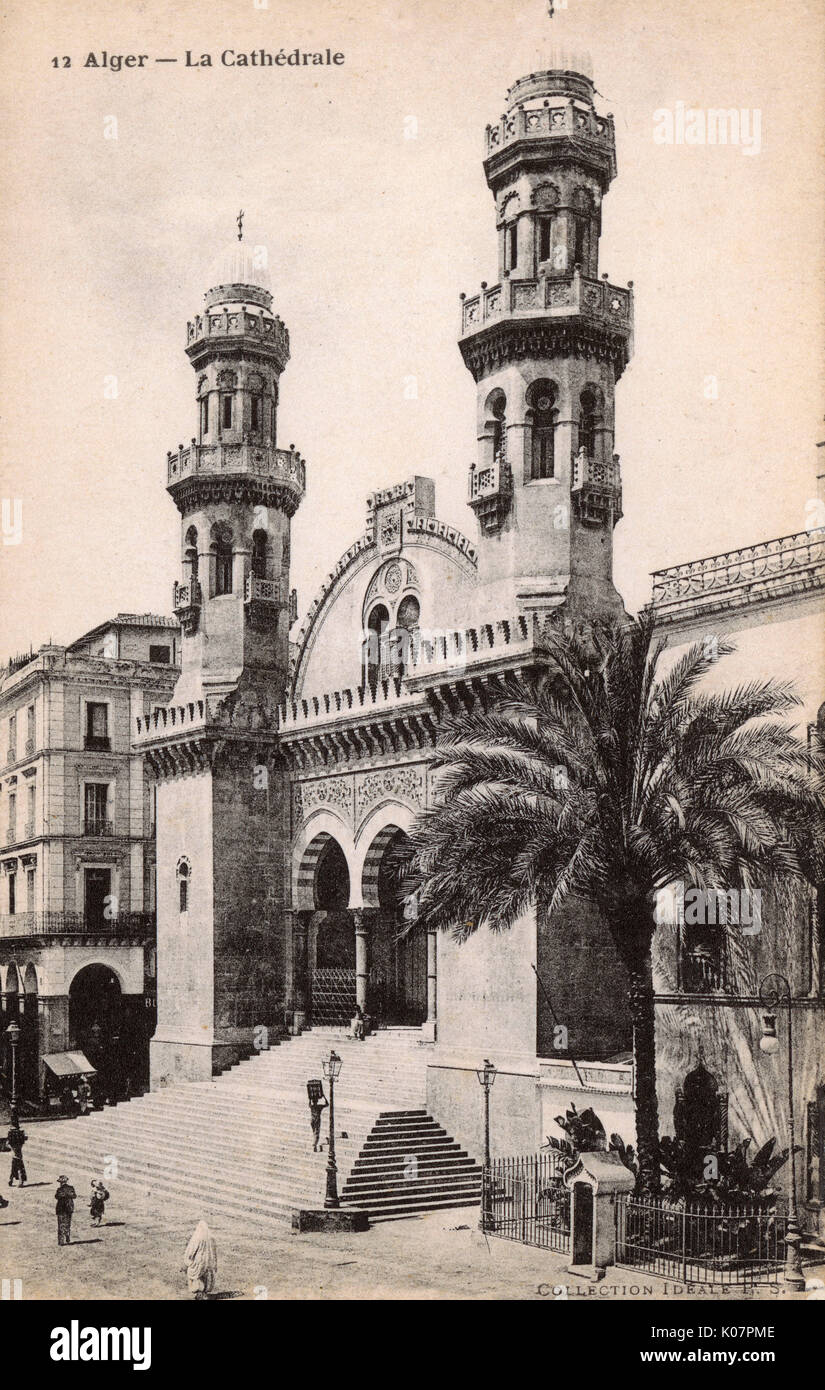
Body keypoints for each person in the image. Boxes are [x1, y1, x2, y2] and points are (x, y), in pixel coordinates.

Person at [183, 1220, 217, 1300]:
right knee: (206, 1276)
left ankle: (200, 1293)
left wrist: (188, 1260)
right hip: (209, 1262)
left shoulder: (197, 1238)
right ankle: (204, 1293)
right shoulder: (211, 1238)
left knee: (197, 1276)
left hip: (199, 1261)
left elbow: (190, 1251)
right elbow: (214, 1253)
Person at [55, 1176, 77, 1246]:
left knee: (61, 1224)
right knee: (67, 1223)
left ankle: (61, 1241)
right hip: (69, 1208)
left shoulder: (59, 1189)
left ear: (61, 1182)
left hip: (61, 1208)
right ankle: (67, 1236)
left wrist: (63, 1195)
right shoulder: (71, 1188)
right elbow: (74, 1196)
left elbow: (56, 1197)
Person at [7, 1114, 27, 1187]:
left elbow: (8, 1143)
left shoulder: (10, 1133)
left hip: (14, 1152)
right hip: (19, 1151)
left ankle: (11, 1180)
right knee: (19, 1167)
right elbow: (23, 1141)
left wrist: (12, 1148)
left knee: (14, 1166)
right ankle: (20, 1182)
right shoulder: (20, 1133)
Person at [307, 1081, 328, 1152]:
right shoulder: (319, 1107)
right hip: (317, 1120)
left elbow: (309, 1103)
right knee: (317, 1133)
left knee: (314, 1132)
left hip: (312, 1120)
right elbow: (327, 1104)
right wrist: (324, 1097)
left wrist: (310, 1099)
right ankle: (314, 1145)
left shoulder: (312, 1106)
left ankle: (314, 1143)